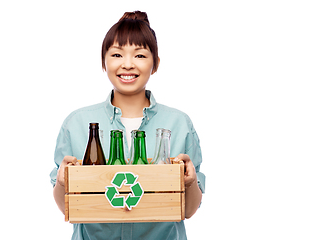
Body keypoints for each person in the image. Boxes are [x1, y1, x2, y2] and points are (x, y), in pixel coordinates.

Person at [50, 11, 205, 240]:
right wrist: (63, 182)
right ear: (104, 61)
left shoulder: (179, 123)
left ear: (155, 64)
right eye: (117, 54)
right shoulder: (77, 124)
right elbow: (68, 207)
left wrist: (190, 181)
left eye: (140, 55)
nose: (128, 64)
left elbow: (188, 210)